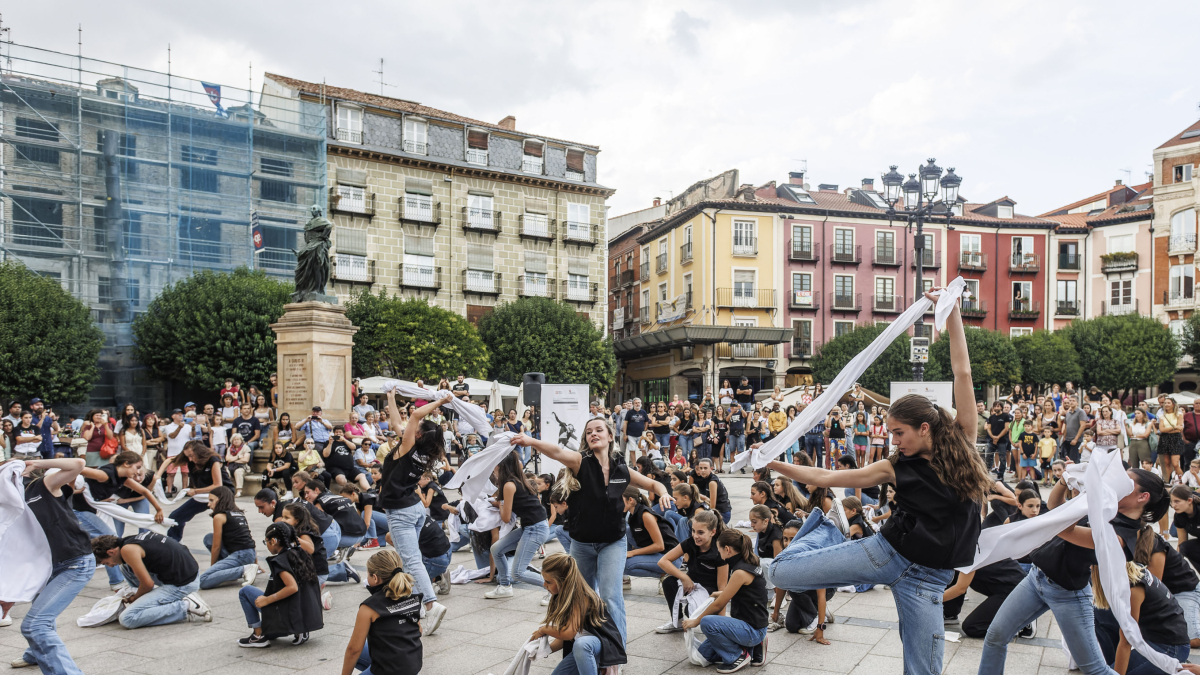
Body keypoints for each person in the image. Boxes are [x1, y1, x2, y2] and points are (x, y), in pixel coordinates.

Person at [764, 287, 989, 675]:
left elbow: (962, 372)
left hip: (928, 578)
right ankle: (823, 531)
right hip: (887, 552)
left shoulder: (964, 441)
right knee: (779, 572)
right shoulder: (893, 466)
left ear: (924, 427)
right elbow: (825, 475)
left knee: (924, 670)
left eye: (899, 433)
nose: (893, 440)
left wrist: (950, 311)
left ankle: (824, 533)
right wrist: (776, 464)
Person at [979, 468, 1170, 675]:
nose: (1118, 481)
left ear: (1143, 496)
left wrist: (1086, 496)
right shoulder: (1107, 505)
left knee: (1095, 669)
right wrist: (1065, 479)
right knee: (995, 636)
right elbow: (1053, 506)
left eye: (1127, 481)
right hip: (1037, 578)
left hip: (1068, 595)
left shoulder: (1123, 535)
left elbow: (1062, 527)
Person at [510, 416, 673, 643]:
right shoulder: (580, 461)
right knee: (580, 598)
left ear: (609, 436)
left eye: (598, 430)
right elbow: (557, 451)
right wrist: (531, 441)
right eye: (589, 432)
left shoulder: (621, 468)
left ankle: (616, 652)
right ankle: (583, 644)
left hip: (613, 542)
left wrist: (663, 493)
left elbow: (653, 484)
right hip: (582, 544)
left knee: (610, 597)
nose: (593, 434)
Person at [9, 457, 96, 673]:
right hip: (45, 567)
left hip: (75, 563)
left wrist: (35, 463)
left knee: (34, 625)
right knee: (40, 617)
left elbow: (78, 464)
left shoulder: (43, 485)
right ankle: (35, 655)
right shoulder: (10, 502)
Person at [378, 387, 450, 635]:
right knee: (412, 558)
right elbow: (399, 422)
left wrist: (441, 399)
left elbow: (415, 415)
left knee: (411, 560)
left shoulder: (408, 446)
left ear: (417, 435)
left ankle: (431, 605)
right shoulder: (422, 450)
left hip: (401, 512)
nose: (411, 428)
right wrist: (390, 397)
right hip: (415, 508)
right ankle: (416, 606)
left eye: (415, 428)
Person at [681, 529, 771, 671]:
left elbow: (718, 605)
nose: (718, 554)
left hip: (753, 629)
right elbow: (748, 591)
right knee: (703, 655)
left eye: (719, 550)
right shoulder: (748, 561)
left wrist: (695, 621)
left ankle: (738, 655)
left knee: (707, 622)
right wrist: (722, 593)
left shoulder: (740, 572)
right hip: (750, 623)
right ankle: (753, 646)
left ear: (727, 549)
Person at [92, 531, 212, 628]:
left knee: (127, 619)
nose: (111, 566)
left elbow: (148, 584)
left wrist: (135, 598)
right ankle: (149, 601)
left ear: (111, 552)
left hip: (183, 584)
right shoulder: (128, 541)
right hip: (188, 572)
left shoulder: (127, 550)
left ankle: (187, 605)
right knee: (125, 566)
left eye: (106, 563)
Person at [237, 521, 323, 648]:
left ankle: (258, 635)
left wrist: (267, 600)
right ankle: (299, 630)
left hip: (288, 616)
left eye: (265, 541)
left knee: (245, 591)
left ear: (273, 541)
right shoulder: (302, 554)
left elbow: (292, 587)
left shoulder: (280, 561)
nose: (266, 545)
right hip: (306, 616)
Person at [341, 549, 423, 675]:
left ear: (375, 578)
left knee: (354, 651)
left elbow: (353, 649)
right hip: (412, 667)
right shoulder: (411, 596)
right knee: (364, 650)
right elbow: (419, 631)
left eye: (368, 575)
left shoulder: (369, 607)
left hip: (390, 670)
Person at [483, 450, 549, 598]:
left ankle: (557, 589)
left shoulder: (509, 485)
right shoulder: (518, 480)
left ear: (501, 466)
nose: (493, 467)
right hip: (531, 526)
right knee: (496, 549)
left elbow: (505, 518)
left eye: (495, 464)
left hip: (535, 529)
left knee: (518, 572)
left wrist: (499, 504)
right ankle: (505, 586)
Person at [656, 509, 729, 634]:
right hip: (691, 585)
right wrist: (684, 578)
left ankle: (712, 618)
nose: (695, 535)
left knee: (690, 612)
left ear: (713, 532)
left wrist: (720, 622)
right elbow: (663, 561)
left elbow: (722, 590)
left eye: (700, 532)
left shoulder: (719, 552)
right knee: (668, 581)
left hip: (709, 592)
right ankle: (677, 622)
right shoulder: (690, 543)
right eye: (693, 531)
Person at [155, 440, 234, 541]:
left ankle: (231, 542)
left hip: (222, 494)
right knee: (176, 516)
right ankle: (173, 544)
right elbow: (169, 460)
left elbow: (218, 485)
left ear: (199, 452)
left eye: (191, 455)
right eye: (187, 456)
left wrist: (195, 491)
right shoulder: (189, 459)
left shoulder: (213, 460)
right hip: (203, 494)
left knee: (223, 520)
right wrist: (158, 475)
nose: (190, 459)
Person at [942, 556, 1027, 639]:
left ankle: (1020, 619)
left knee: (972, 627)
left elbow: (960, 588)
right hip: (1002, 586)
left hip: (1016, 592)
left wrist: (932, 599)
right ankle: (949, 614)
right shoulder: (969, 548)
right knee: (953, 568)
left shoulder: (970, 553)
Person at [198, 486, 258, 589]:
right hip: (248, 553)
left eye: (211, 500)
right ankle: (240, 569)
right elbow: (248, 539)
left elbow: (216, 547)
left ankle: (244, 570)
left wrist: (213, 569)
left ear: (221, 500)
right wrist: (255, 562)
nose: (208, 504)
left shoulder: (219, 516)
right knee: (209, 538)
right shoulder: (239, 513)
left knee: (203, 580)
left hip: (240, 555)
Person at [623, 484, 679, 578]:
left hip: (671, 557)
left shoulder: (646, 515)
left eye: (620, 500)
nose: (617, 503)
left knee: (626, 565)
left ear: (631, 500)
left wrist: (632, 553)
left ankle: (667, 575)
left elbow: (659, 546)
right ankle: (624, 577)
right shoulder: (632, 515)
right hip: (659, 553)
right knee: (628, 531)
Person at [693, 458, 732, 523]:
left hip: (722, 513)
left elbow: (712, 506)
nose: (702, 470)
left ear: (711, 468)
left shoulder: (712, 482)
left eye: (705, 468)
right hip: (720, 511)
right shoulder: (707, 478)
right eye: (701, 468)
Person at [1160, 397, 1187, 482]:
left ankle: (1182, 481)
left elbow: (1180, 429)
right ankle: (1168, 481)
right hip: (1164, 439)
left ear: (1173, 404)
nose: (1166, 404)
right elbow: (1162, 429)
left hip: (1176, 438)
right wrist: (1174, 427)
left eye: (1168, 403)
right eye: (1165, 403)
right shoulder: (1162, 416)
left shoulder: (1179, 414)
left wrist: (1168, 429)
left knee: (1175, 464)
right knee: (1167, 463)